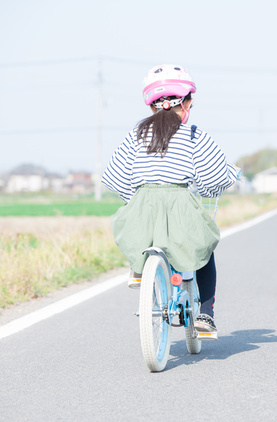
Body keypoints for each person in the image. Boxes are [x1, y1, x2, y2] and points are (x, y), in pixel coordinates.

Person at [101, 64, 239, 335]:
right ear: (186, 102)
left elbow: (113, 176)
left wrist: (136, 198)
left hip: (142, 204)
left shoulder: (136, 134)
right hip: (180, 203)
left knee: (142, 236)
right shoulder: (193, 135)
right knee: (203, 250)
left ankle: (139, 269)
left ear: (153, 106)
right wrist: (220, 184)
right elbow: (212, 177)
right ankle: (206, 314)